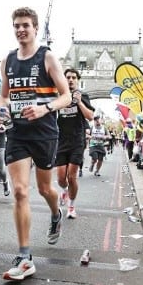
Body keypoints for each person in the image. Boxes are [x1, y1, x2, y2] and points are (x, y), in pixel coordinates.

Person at [0, 7, 71, 281]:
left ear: (35, 28)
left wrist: (45, 108)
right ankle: (25, 256)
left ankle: (55, 212)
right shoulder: (8, 60)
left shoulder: (47, 57)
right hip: (17, 132)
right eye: (16, 25)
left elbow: (67, 97)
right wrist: (1, 111)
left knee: (45, 189)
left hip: (44, 132)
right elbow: (4, 97)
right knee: (19, 191)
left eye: (25, 25)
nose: (20, 30)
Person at [55, 68, 95, 219]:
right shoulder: (59, 96)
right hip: (60, 141)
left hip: (77, 140)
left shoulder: (83, 96)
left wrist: (78, 103)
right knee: (60, 178)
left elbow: (90, 116)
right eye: (68, 78)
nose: (70, 80)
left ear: (77, 80)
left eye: (73, 78)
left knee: (72, 177)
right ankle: (65, 191)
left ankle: (71, 207)